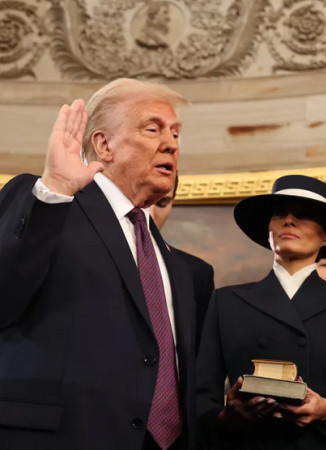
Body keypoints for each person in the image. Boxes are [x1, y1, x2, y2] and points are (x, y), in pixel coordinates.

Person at [0, 78, 196, 449]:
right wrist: (56, 186)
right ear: (104, 145)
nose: (171, 143)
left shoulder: (174, 264)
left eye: (175, 133)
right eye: (152, 129)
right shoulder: (47, 203)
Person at [196, 174, 326, 449]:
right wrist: (227, 416)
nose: (289, 220)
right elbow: (199, 401)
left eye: (304, 214)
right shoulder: (226, 302)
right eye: (279, 213)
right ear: (268, 230)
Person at [152, 173, 215, 349]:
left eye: (162, 202)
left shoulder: (197, 273)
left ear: (173, 200)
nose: (150, 214)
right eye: (144, 201)